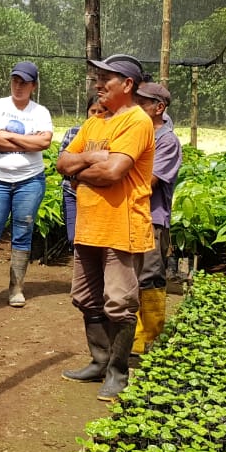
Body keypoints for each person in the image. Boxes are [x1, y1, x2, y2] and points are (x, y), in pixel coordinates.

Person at [57, 54, 155, 402]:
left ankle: (118, 372)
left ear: (127, 84)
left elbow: (113, 172)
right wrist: (90, 159)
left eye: (106, 79)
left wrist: (77, 174)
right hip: (89, 226)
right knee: (85, 297)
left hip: (121, 227)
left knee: (119, 302)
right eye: (97, 78)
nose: (98, 85)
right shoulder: (95, 123)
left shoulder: (137, 122)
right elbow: (61, 162)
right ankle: (99, 361)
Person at [0, 61, 55, 309]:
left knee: (23, 233)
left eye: (24, 82)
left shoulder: (40, 112)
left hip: (30, 181)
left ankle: (16, 289)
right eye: (15, 81)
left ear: (33, 86)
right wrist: (27, 140)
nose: (19, 86)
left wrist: (7, 134)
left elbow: (44, 143)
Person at [131, 81, 183, 355]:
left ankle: (149, 338)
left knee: (150, 275)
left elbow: (149, 182)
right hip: (129, 214)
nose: (135, 107)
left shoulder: (167, 142)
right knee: (130, 277)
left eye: (141, 103)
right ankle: (132, 336)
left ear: (158, 108)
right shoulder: (135, 133)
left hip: (152, 219)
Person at [60, 93, 107, 248]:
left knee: (94, 240)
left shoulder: (109, 134)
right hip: (72, 193)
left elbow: (107, 166)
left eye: (101, 111)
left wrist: (77, 168)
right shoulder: (73, 132)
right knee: (74, 238)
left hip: (98, 195)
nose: (96, 115)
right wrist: (91, 161)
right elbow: (63, 165)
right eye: (93, 111)